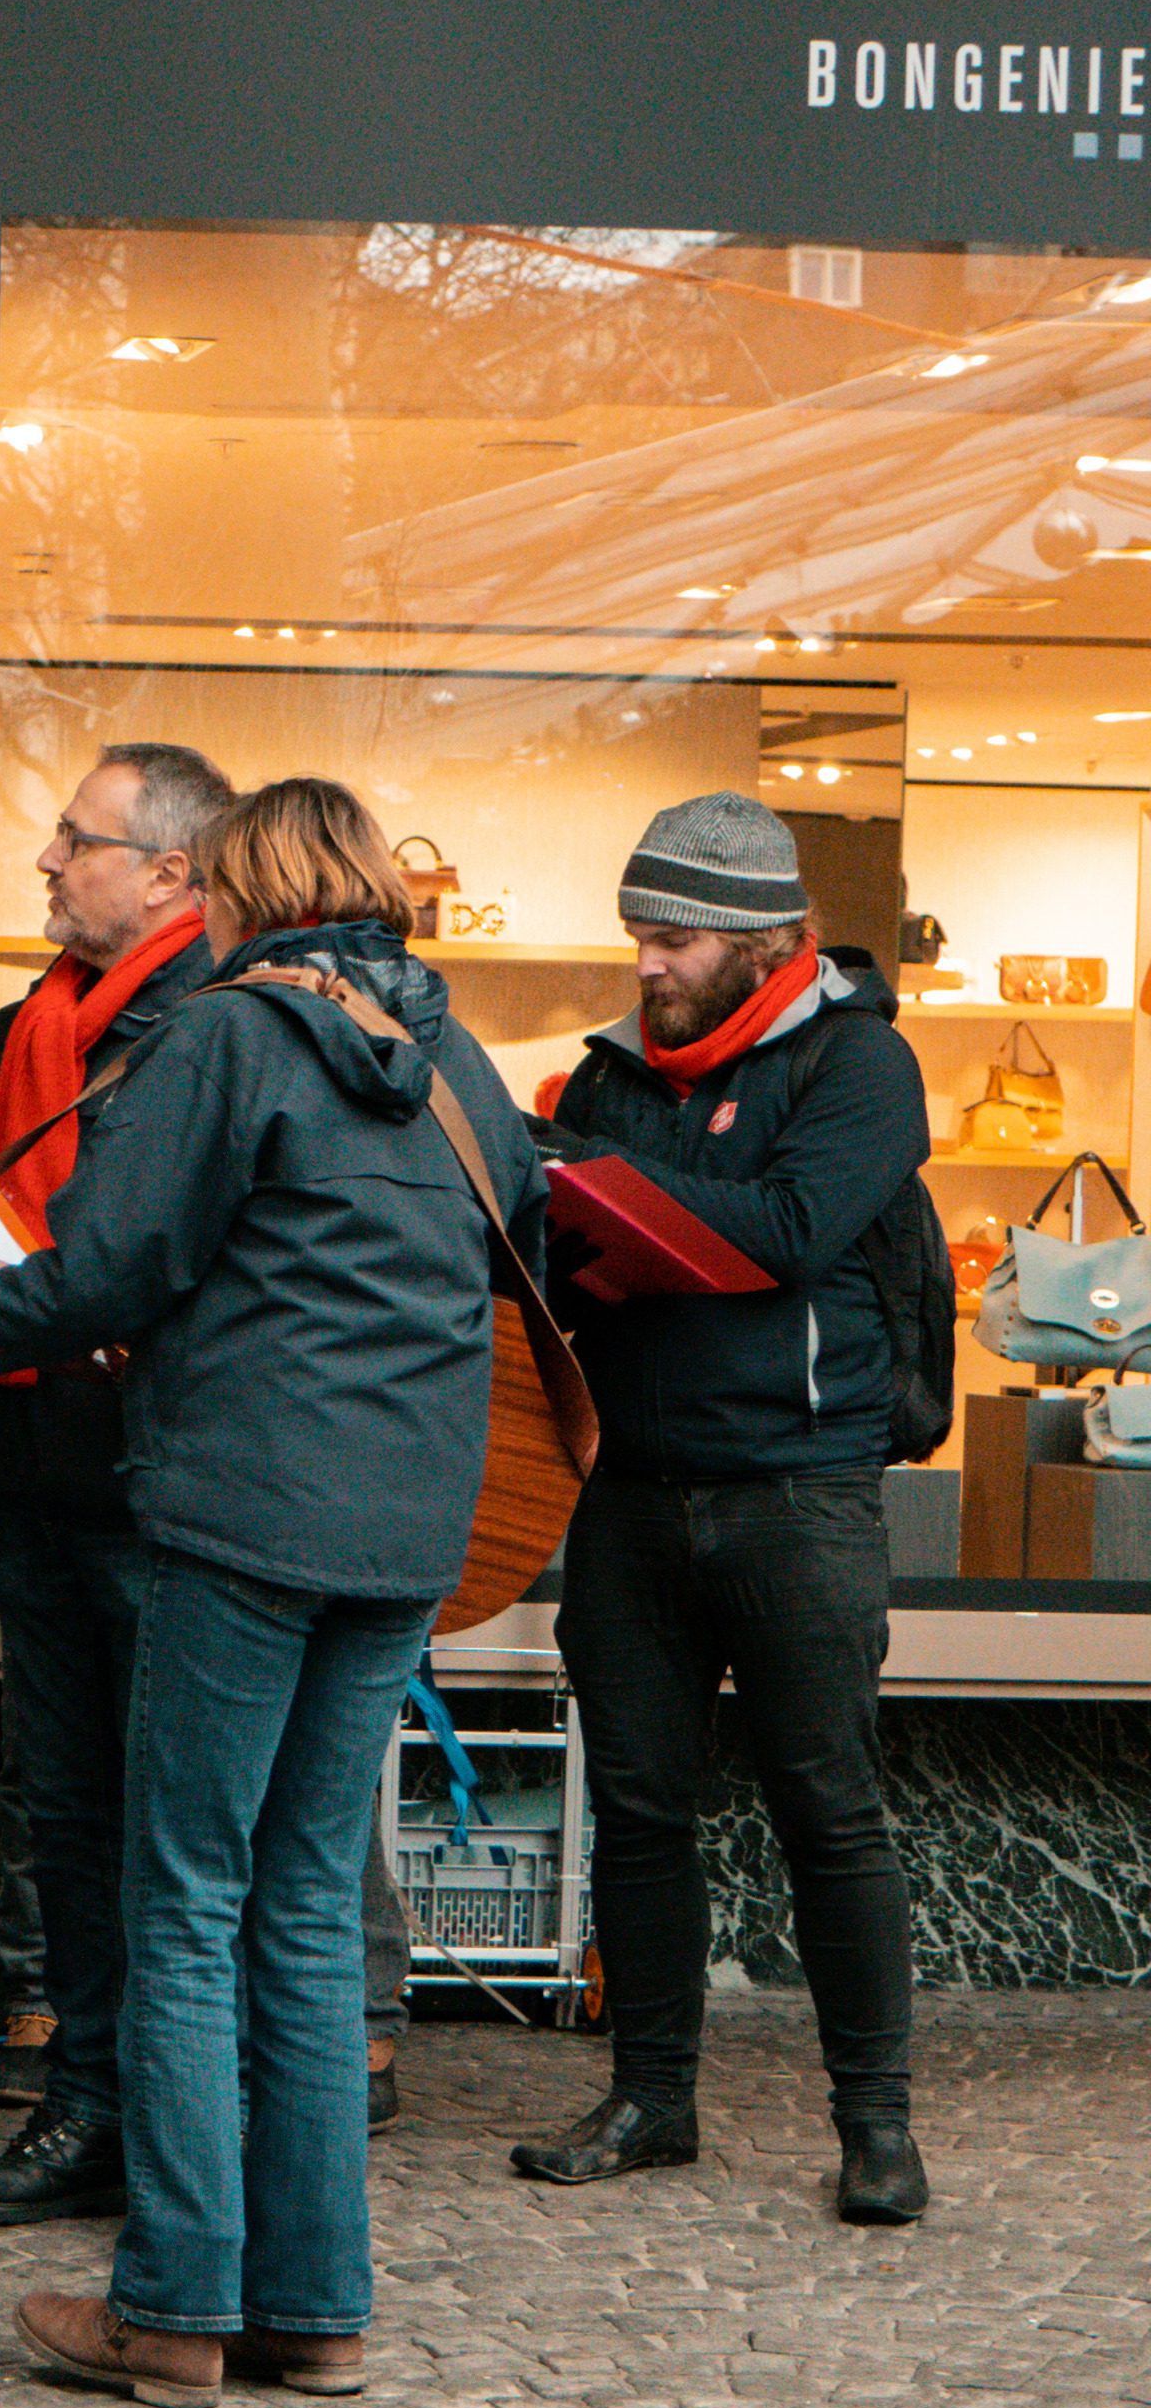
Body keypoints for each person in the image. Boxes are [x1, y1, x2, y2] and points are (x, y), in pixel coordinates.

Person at [0, 777, 540, 2408]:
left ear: (241, 889)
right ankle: (315, 2305)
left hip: (244, 1510)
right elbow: (522, 1240)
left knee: (187, 1895)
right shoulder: (453, 1055)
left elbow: (105, 1270)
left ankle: (172, 2305)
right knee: (303, 1899)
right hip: (404, 1525)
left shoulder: (226, 1033)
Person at [0, 747, 421, 2230]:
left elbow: (139, 1263)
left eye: (73, 837)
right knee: (77, 1808)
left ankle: (196, 2211)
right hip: (45, 1466)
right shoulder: (22, 1035)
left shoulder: (223, 1032)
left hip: (189, 1493)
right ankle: (108, 2115)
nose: (45, 859)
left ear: (177, 877)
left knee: (203, 1863)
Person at [510, 794, 931, 2226]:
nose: (648, 963)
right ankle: (651, 2098)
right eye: (638, 932)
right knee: (636, 1810)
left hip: (799, 1492)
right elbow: (567, 1265)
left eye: (676, 938)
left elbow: (796, 1231)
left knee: (831, 1811)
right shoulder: (607, 1075)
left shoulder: (858, 1061)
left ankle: (876, 2125)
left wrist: (619, 1193)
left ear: (765, 940)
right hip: (630, 1488)